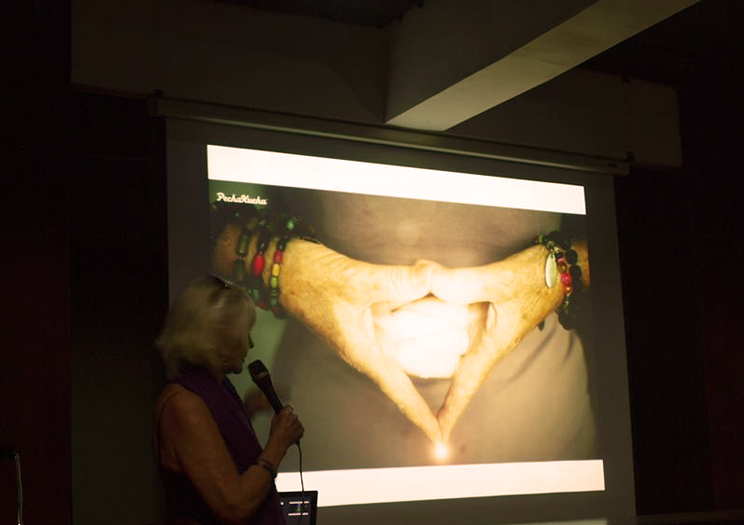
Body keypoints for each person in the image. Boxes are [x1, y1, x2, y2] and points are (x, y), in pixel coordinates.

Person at [210, 191, 594, 468]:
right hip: (333, 424)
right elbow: (192, 221)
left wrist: (559, 272)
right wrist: (280, 265)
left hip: (540, 424)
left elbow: (624, 235)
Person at [152, 276, 305, 525]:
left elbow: (216, 463)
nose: (250, 344)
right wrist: (276, 444)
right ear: (217, 336)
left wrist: (248, 413)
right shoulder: (185, 404)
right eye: (244, 333)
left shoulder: (216, 393)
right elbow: (234, 505)